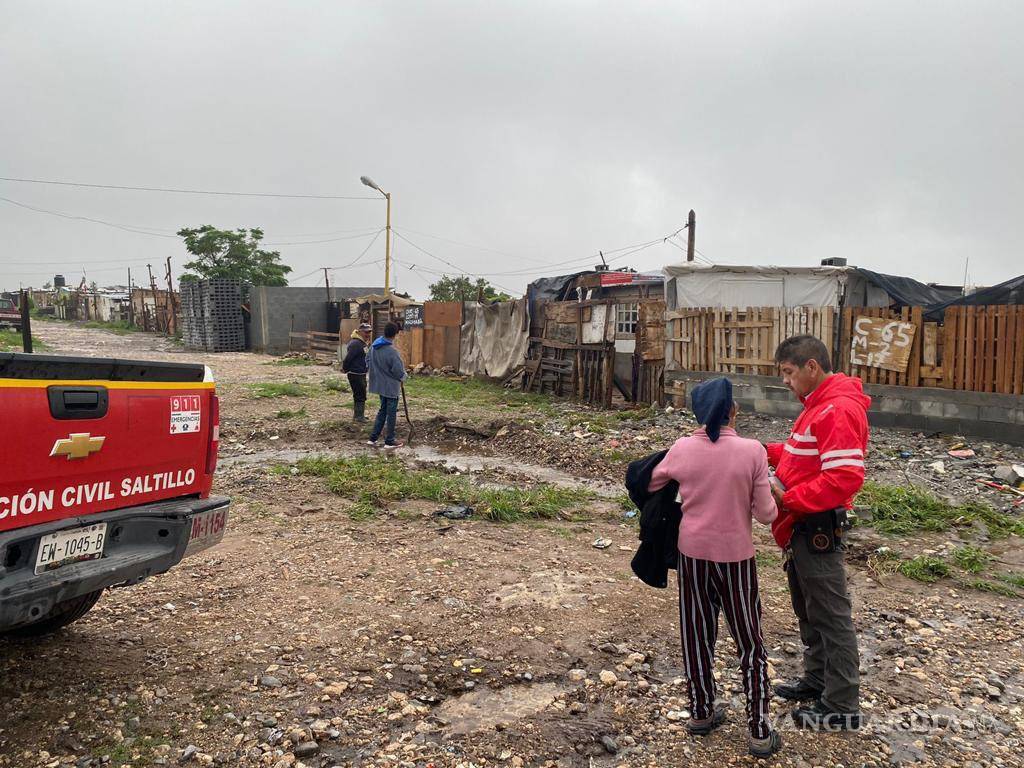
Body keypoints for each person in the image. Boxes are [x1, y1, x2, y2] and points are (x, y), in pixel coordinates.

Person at [647, 377, 781, 758]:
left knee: (696, 633)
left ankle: (701, 713)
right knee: (750, 641)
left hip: (692, 554)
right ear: (733, 412)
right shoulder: (753, 451)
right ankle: (758, 729)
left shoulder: (682, 448)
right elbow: (766, 515)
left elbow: (654, 480)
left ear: (697, 413)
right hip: (736, 559)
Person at [765, 334, 869, 731]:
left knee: (831, 615)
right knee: (809, 609)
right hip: (801, 528)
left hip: (816, 527)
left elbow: (843, 477)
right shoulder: (816, 408)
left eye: (789, 373)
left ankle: (841, 704)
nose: (786, 383)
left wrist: (789, 499)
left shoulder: (836, 410)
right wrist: (762, 451)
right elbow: (798, 453)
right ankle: (817, 679)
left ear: (812, 367)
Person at [367, 322, 406, 449]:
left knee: (382, 410)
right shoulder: (392, 351)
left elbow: (367, 360)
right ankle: (389, 441)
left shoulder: (374, 346)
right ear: (395, 334)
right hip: (390, 387)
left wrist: (376, 372)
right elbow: (398, 371)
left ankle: (373, 438)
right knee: (391, 413)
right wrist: (403, 377)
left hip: (380, 384)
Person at [342, 323, 372, 423]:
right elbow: (348, 358)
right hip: (355, 373)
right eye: (366, 332)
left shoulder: (361, 342)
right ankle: (359, 417)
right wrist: (345, 368)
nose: (368, 334)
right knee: (359, 394)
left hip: (360, 373)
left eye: (369, 332)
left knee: (361, 394)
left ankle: (359, 415)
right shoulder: (356, 344)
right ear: (360, 332)